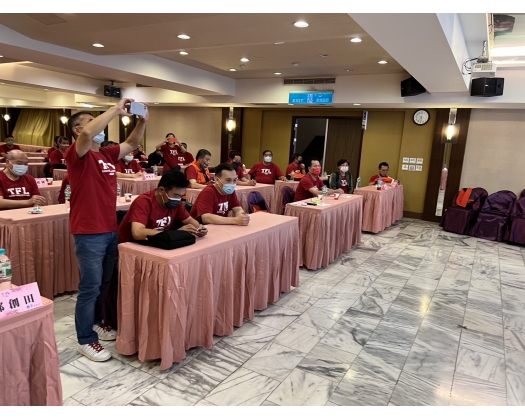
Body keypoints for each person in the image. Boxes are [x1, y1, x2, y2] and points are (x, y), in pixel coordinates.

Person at [65, 97, 148, 362]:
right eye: (90, 120)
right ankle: (85, 339)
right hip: (88, 231)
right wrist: (115, 109)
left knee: (104, 283)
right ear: (77, 130)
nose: (97, 125)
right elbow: (88, 135)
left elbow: (132, 144)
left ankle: (98, 321)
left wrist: (142, 121)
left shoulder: (106, 154)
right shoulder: (77, 154)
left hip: (110, 228)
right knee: (90, 287)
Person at [118, 170, 207, 243]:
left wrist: (199, 228)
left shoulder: (176, 202)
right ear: (161, 191)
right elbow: (138, 233)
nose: (178, 199)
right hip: (130, 245)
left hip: (157, 242)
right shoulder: (143, 201)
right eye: (176, 195)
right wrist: (174, 234)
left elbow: (189, 220)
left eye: (181, 196)